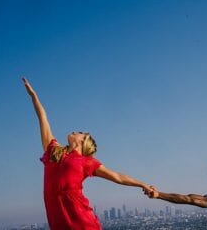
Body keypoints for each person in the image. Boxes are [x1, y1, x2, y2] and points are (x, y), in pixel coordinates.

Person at [22, 77, 152, 230]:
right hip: (59, 224)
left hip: (84, 223)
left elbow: (117, 177)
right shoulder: (53, 151)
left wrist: (142, 184)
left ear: (84, 141)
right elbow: (42, 117)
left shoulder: (86, 161)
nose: (76, 131)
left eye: (81, 132)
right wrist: (33, 95)